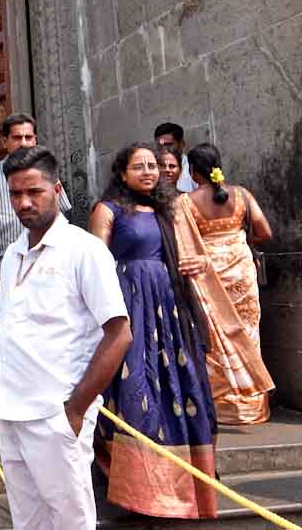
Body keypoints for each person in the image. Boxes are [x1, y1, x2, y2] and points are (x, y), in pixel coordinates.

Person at [0, 147, 132, 530]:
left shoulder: (85, 250)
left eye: (34, 192)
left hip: (55, 413)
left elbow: (119, 334)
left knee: (70, 522)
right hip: (11, 414)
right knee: (28, 522)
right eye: (14, 194)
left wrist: (75, 409)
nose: (24, 203)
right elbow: (6, 334)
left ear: (56, 190)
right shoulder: (12, 254)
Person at [88, 144, 217, 519]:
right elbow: (95, 263)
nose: (148, 171)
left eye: (153, 166)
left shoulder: (169, 210)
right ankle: (137, 488)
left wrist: (197, 262)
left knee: (181, 384)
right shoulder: (109, 209)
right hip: (128, 308)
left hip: (171, 310)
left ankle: (181, 484)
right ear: (122, 172)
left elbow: (192, 252)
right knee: (133, 387)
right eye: (139, 166)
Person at [175, 143, 275, 424]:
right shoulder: (241, 194)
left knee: (216, 339)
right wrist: (237, 241)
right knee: (247, 334)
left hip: (209, 277)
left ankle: (224, 407)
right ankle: (252, 407)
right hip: (242, 272)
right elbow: (264, 231)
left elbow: (182, 243)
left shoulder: (185, 202)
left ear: (193, 173)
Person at [0, 113, 71, 291]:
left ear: (35, 140)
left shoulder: (47, 174)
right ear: (5, 142)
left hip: (46, 265)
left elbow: (62, 215)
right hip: (2, 269)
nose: (23, 143)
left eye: (28, 137)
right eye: (17, 137)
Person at [154, 122, 197, 193]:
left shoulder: (194, 166)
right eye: (160, 146)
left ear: (182, 144)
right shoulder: (152, 169)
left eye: (168, 144)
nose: (164, 149)